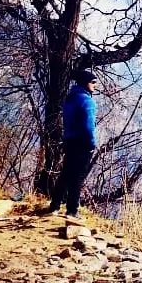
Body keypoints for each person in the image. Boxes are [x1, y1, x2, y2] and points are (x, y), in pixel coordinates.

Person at [49, 69, 98, 222]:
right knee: (77, 176)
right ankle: (72, 210)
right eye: (93, 82)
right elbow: (88, 126)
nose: (95, 85)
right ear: (85, 83)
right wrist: (92, 143)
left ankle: (55, 206)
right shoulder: (86, 100)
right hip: (82, 142)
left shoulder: (70, 98)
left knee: (66, 174)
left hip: (69, 140)